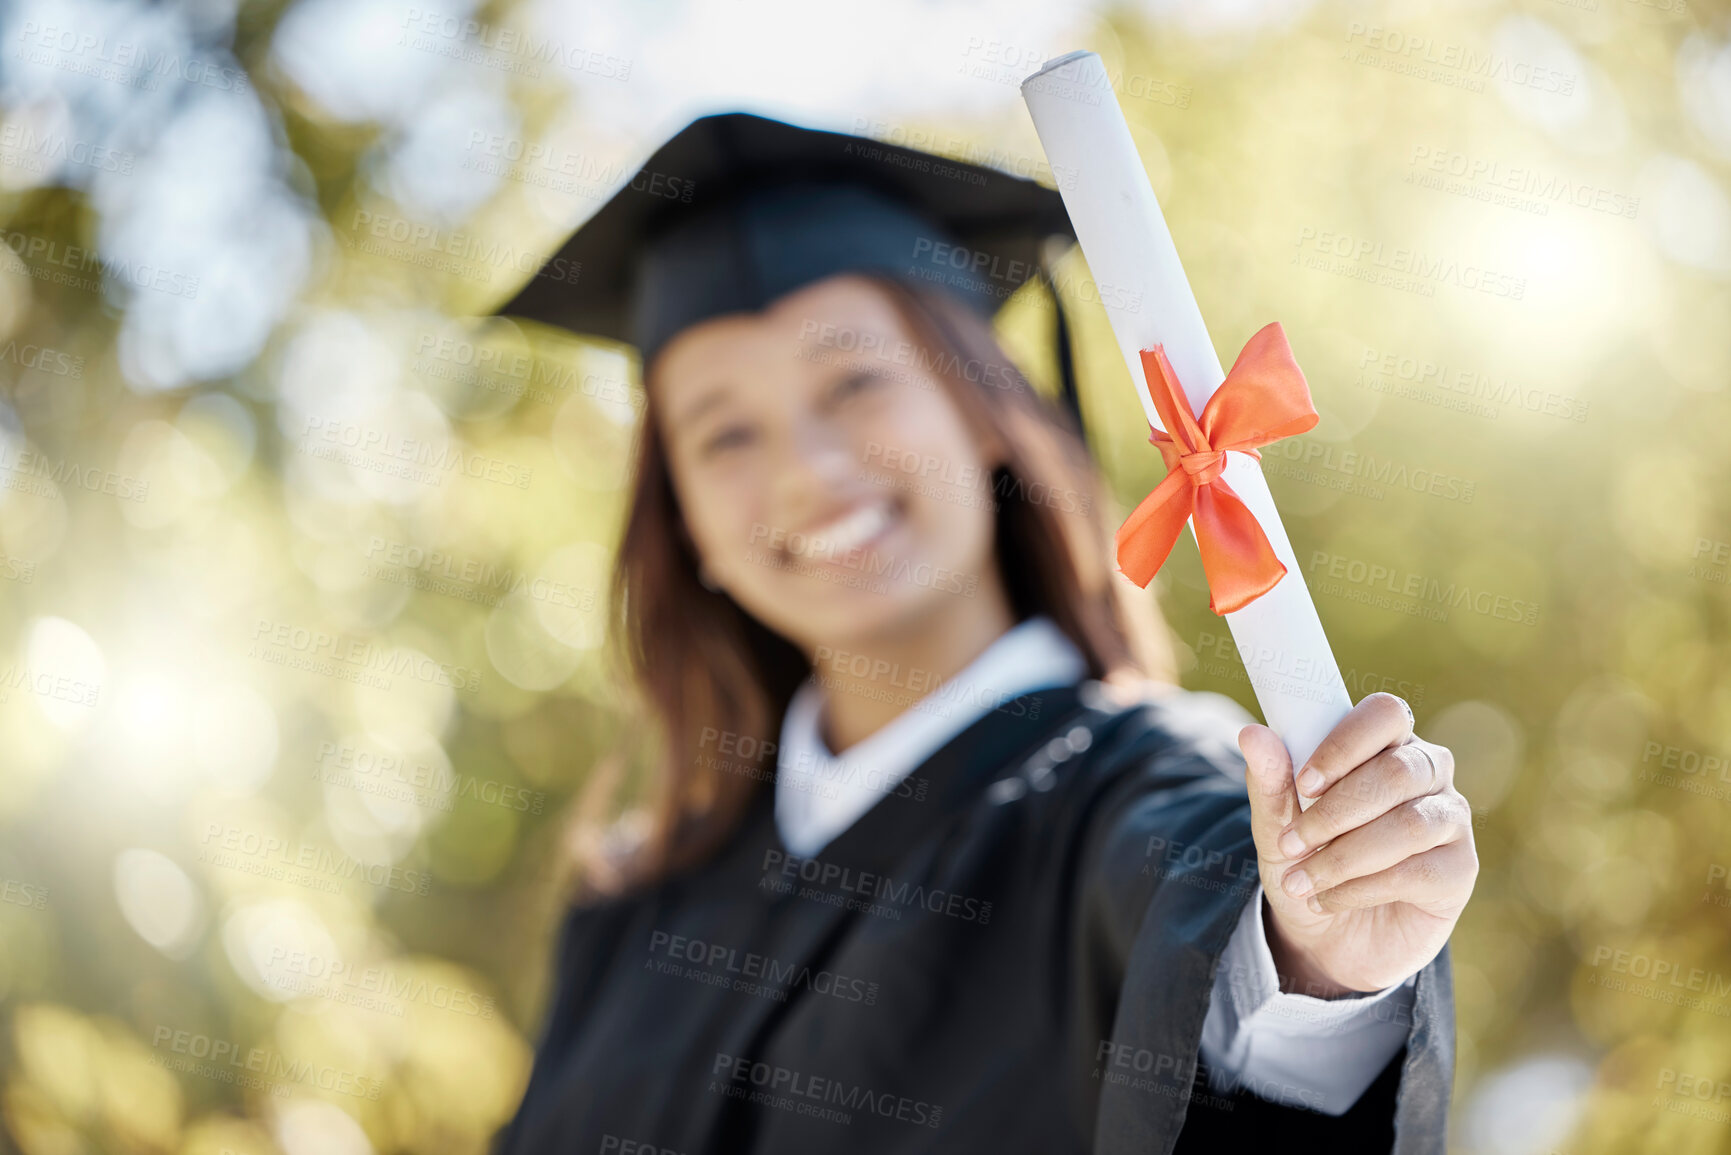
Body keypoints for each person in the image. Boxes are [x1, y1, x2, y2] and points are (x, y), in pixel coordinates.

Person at [489, 112, 1475, 1155]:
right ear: (684, 523)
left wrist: (1311, 962)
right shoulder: (639, 902)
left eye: (857, 382)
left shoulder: (1137, 793)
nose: (802, 471)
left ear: (984, 413)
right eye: (724, 432)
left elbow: (1221, 937)